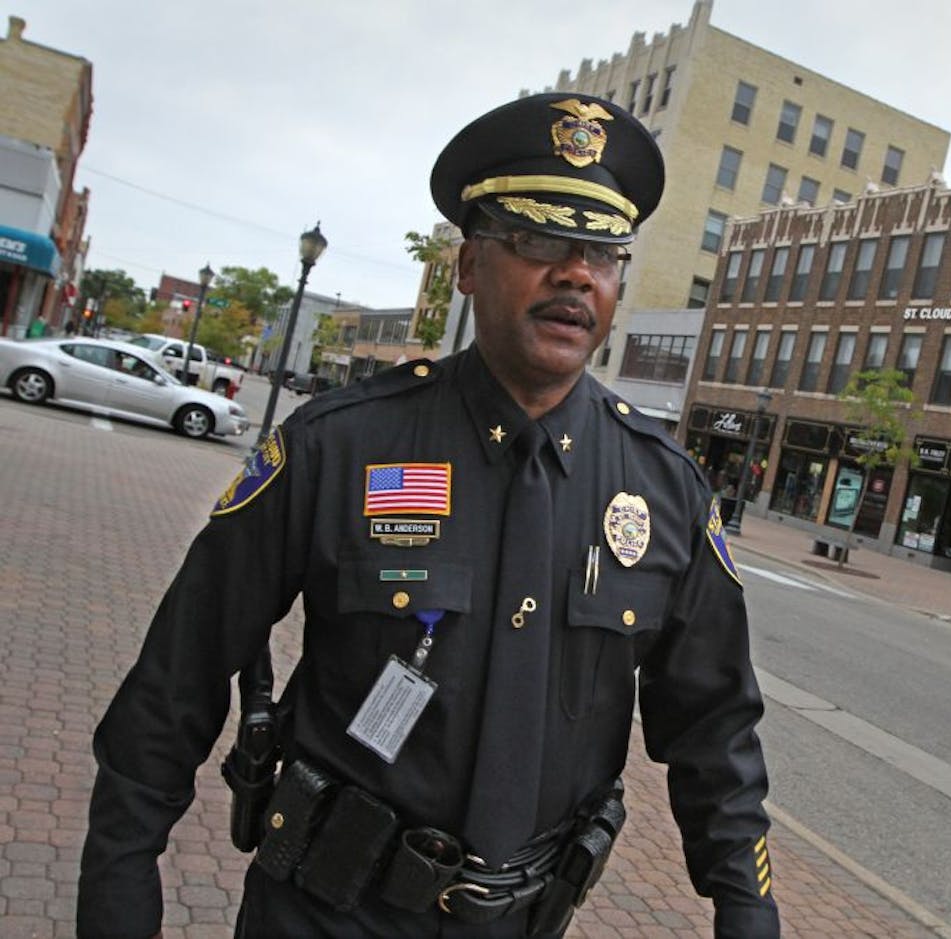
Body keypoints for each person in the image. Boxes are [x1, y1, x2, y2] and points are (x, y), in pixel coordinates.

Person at [78, 93, 779, 939]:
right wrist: (119, 884)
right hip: (327, 917)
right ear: (468, 265)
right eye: (537, 238)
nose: (574, 272)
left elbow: (714, 728)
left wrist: (748, 908)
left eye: (601, 251)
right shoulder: (342, 445)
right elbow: (177, 677)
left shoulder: (663, 491)